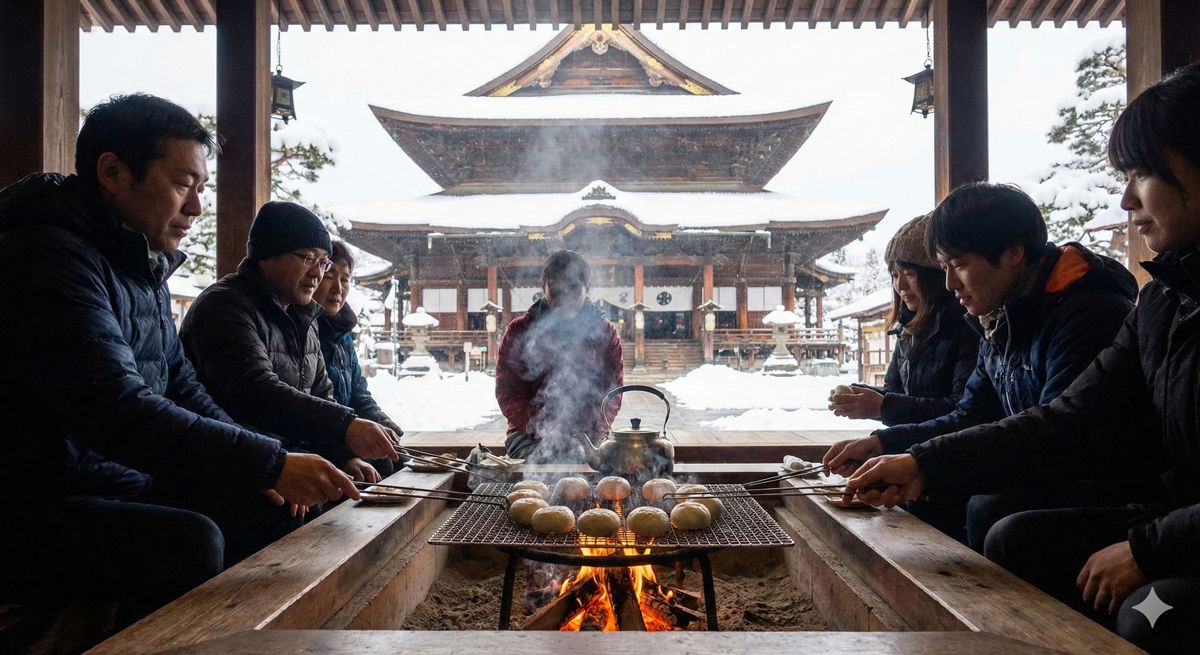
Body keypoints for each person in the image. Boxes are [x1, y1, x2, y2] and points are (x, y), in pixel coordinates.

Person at [842, 62, 1200, 655]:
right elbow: (1070, 416)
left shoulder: (1089, 310)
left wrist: (1148, 548)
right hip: (1170, 520)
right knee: (1013, 536)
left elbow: (1081, 444)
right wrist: (912, 457)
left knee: (1153, 615)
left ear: (1012, 256)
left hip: (1150, 514)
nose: (1127, 197)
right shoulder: (1164, 300)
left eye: (1144, 172)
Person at [0, 94, 358, 627]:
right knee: (189, 542)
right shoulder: (48, 257)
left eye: (201, 189)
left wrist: (264, 467)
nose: (195, 208)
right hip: (35, 495)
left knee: (271, 508)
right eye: (183, 184)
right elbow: (115, 406)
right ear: (113, 171)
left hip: (120, 479)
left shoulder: (138, 266)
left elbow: (182, 387)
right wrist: (270, 461)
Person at [824, 182, 1138, 547]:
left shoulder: (1088, 314)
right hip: (1039, 465)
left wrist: (923, 464)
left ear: (1013, 253)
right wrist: (884, 443)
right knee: (927, 495)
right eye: (943, 267)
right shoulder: (1001, 319)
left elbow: (1061, 435)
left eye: (958, 265)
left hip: (1099, 484)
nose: (949, 282)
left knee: (988, 514)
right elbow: (971, 414)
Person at [181, 202, 400, 485]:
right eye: (307, 258)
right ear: (265, 257)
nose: (317, 273)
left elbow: (323, 393)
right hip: (233, 460)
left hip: (286, 454)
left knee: (372, 471)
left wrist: (343, 455)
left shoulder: (302, 315)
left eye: (322, 262)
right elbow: (257, 394)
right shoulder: (224, 307)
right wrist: (341, 429)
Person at [828, 213, 978, 426]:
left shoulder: (967, 328)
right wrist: (860, 397)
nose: (900, 286)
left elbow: (962, 410)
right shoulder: (909, 329)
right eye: (895, 275)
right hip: (916, 448)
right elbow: (895, 391)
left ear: (936, 275)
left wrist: (883, 406)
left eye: (909, 274)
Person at [495, 250, 623, 462]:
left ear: (587, 287)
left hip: (589, 435)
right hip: (529, 435)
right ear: (542, 285)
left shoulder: (605, 333)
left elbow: (612, 394)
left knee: (591, 466)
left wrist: (587, 430)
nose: (564, 297)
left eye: (573, 287)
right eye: (555, 287)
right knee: (541, 466)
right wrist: (542, 427)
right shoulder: (520, 331)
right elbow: (508, 392)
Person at [313, 241, 405, 482]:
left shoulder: (342, 334)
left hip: (340, 437)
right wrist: (343, 457)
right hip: (318, 445)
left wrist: (387, 428)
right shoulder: (304, 331)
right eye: (329, 276)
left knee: (395, 460)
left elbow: (357, 393)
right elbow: (314, 408)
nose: (338, 288)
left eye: (345, 280)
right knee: (379, 468)